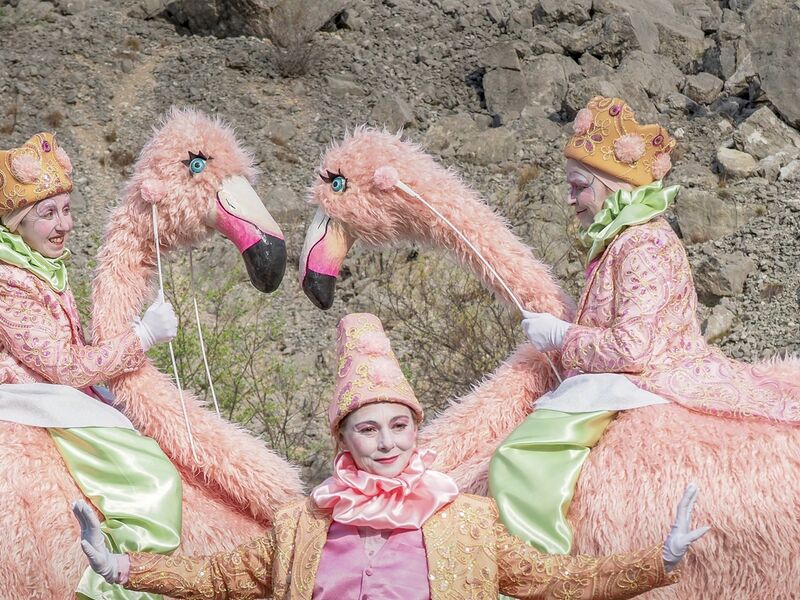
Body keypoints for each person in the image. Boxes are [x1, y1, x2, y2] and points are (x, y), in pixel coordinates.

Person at [73, 312, 707, 599]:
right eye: (369, 429)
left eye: (399, 426)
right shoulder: (304, 526)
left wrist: (660, 561)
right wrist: (122, 568)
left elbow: (556, 580)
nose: (388, 443)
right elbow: (217, 578)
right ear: (344, 441)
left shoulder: (466, 521)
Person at [489, 95, 798, 555]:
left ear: (610, 187)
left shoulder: (642, 243)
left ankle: (548, 572)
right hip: (626, 373)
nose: (569, 197)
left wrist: (561, 336)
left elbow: (633, 348)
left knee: (519, 459)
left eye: (578, 185)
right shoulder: (623, 240)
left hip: (643, 377)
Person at [0, 132, 181, 600]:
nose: (64, 225)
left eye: (66, 209)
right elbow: (60, 365)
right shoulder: (8, 281)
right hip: (32, 400)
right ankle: (118, 580)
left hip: (56, 394)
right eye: (47, 213)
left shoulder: (37, 264)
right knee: (150, 473)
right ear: (18, 221)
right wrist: (141, 337)